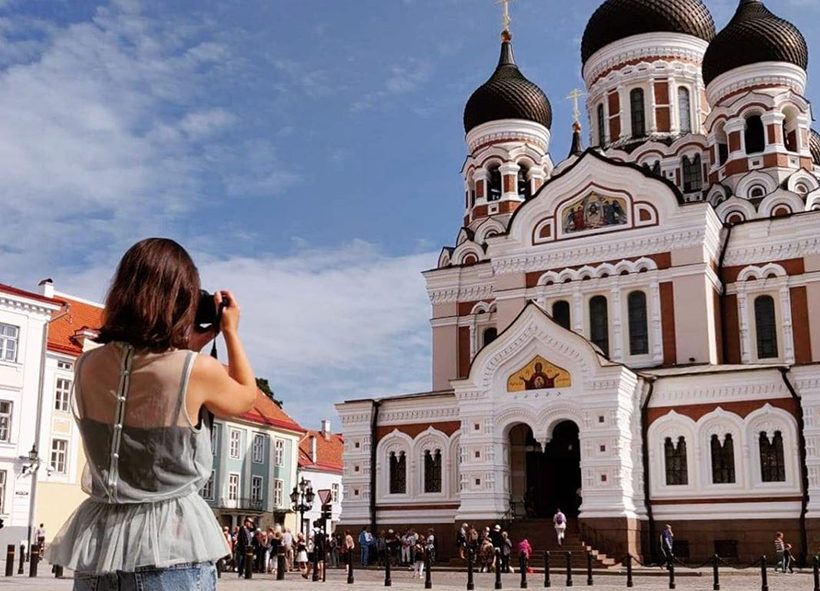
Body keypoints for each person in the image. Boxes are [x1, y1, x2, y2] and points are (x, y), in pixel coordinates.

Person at [44, 238, 259, 591]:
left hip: (99, 550)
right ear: (182, 300)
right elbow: (245, 397)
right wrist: (230, 333)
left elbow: (146, 368)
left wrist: (184, 347)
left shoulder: (87, 365)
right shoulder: (197, 370)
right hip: (169, 550)